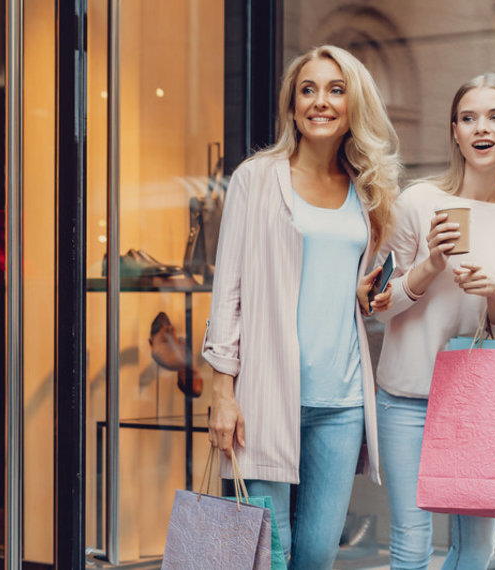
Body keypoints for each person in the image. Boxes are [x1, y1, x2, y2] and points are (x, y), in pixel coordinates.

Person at [201, 45, 401, 569]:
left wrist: (365, 295)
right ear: (292, 107)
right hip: (266, 396)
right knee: (266, 551)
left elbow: (350, 283)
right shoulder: (256, 179)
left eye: (336, 90)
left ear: (352, 105)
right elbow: (230, 291)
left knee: (315, 554)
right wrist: (223, 390)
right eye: (307, 90)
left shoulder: (367, 190)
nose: (321, 101)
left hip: (341, 402)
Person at [361, 73, 495, 569]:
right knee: (411, 541)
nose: (480, 128)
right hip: (407, 399)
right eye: (468, 119)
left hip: (480, 401)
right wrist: (430, 265)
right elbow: (380, 304)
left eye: (494, 116)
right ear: (456, 133)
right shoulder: (419, 202)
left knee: (477, 548)